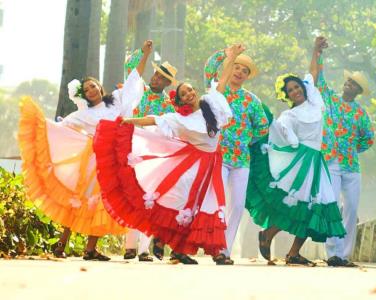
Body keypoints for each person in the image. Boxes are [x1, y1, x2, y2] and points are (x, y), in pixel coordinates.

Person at [93, 44, 245, 263]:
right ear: (180, 101)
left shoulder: (210, 105)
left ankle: (209, 251)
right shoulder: (178, 118)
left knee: (211, 205)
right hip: (193, 165)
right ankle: (179, 248)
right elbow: (153, 120)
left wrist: (231, 57)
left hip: (212, 164)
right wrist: (127, 121)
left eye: (191, 90)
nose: (190, 93)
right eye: (184, 93)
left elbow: (222, 82)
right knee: (186, 205)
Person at [18, 65, 143, 260]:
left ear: (99, 87)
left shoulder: (117, 101)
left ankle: (90, 249)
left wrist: (144, 55)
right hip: (94, 160)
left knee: (104, 203)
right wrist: (41, 128)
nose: (91, 91)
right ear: (84, 96)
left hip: (114, 161)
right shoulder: (85, 114)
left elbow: (133, 81)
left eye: (92, 86)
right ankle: (61, 244)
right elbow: (62, 125)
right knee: (80, 199)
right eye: (86, 90)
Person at [250, 72, 346, 266]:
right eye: (290, 90)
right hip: (301, 163)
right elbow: (279, 133)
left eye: (297, 87)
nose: (295, 91)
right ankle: (269, 234)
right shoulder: (290, 115)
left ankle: (292, 252)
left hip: (317, 162)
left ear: (302, 87)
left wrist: (316, 52)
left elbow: (313, 74)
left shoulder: (315, 105)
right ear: (287, 95)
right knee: (301, 206)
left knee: (312, 209)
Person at [310, 36, 375, 267]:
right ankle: (333, 254)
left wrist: (351, 148)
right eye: (348, 81)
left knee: (352, 208)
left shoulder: (360, 114)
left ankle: (345, 255)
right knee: (332, 205)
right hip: (331, 163)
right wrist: (317, 52)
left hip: (351, 166)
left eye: (353, 84)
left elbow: (368, 139)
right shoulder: (330, 99)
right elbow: (318, 78)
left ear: (358, 90)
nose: (348, 84)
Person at [204, 47, 270, 264]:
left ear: (247, 77)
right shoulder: (218, 89)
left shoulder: (252, 100)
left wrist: (246, 140)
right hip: (219, 155)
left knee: (238, 204)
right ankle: (213, 244)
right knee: (219, 201)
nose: (240, 72)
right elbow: (209, 68)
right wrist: (226, 53)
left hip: (242, 159)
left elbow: (262, 127)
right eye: (236, 67)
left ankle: (225, 250)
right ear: (229, 69)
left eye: (245, 71)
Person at [123, 39, 177, 262]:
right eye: (155, 75)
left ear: (167, 83)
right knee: (132, 196)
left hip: (153, 154)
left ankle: (144, 248)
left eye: (162, 78)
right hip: (133, 147)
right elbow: (131, 68)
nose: (156, 79)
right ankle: (129, 246)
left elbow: (169, 130)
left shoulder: (168, 106)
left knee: (148, 198)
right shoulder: (140, 90)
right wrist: (145, 53)